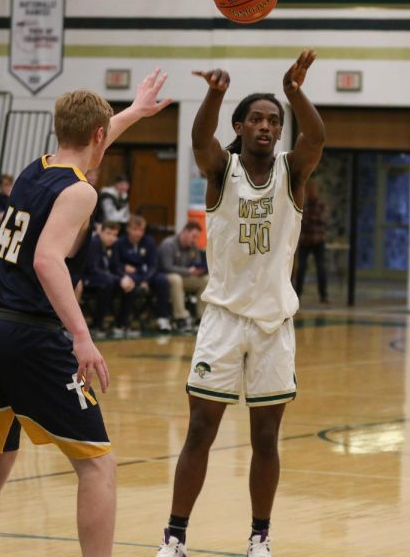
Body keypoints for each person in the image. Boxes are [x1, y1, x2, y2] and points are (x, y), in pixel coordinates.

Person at [0, 68, 171, 557]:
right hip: (29, 333)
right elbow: (47, 260)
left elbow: (93, 139)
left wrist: (134, 111)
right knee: (97, 465)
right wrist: (82, 336)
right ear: (97, 135)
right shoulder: (82, 192)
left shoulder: (36, 169)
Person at [155, 50, 324, 557]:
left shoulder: (293, 174)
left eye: (274, 121)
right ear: (241, 126)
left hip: (273, 325)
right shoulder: (219, 170)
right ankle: (175, 536)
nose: (267, 127)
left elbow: (315, 138)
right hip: (223, 320)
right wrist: (214, 92)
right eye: (257, 119)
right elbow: (198, 140)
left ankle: (259, 536)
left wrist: (294, 91)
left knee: (266, 439)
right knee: (200, 430)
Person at [113, 214, 172, 335]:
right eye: (135, 229)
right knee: (129, 284)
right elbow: (115, 264)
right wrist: (124, 269)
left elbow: (153, 265)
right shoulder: (120, 243)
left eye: (141, 230)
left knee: (162, 280)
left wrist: (145, 280)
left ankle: (163, 318)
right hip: (128, 276)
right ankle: (123, 322)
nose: (138, 233)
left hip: (146, 275)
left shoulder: (149, 242)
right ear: (128, 229)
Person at [157, 221, 207, 331]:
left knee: (205, 280)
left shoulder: (193, 247)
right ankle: (180, 318)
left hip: (184, 278)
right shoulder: (168, 244)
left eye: (197, 238)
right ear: (184, 232)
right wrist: (189, 271)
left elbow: (196, 264)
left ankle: (201, 318)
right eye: (193, 237)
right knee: (176, 279)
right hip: (166, 277)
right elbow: (167, 267)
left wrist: (200, 270)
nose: (195, 240)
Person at [83, 221, 121, 334]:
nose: (111, 238)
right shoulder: (94, 242)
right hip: (86, 278)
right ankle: (97, 324)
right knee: (108, 282)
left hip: (102, 278)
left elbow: (116, 266)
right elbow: (92, 268)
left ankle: (121, 323)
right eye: (108, 233)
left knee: (127, 283)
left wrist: (124, 278)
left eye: (115, 235)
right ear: (101, 232)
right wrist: (116, 278)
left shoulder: (113, 246)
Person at [294, 179, 328, 303]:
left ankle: (323, 295)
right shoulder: (304, 205)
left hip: (318, 241)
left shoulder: (321, 205)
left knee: (321, 268)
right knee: (301, 268)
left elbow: (322, 221)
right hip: (306, 241)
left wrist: (310, 220)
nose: (312, 192)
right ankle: (297, 294)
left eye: (314, 190)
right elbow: (301, 221)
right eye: (310, 190)